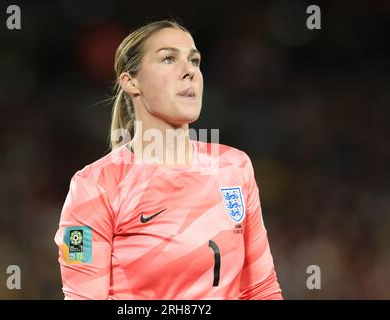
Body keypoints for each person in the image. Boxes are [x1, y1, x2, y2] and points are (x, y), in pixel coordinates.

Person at [54, 20, 283, 299]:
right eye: (168, 58)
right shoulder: (93, 187)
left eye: (194, 60)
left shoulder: (234, 167)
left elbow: (261, 288)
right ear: (131, 81)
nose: (189, 71)